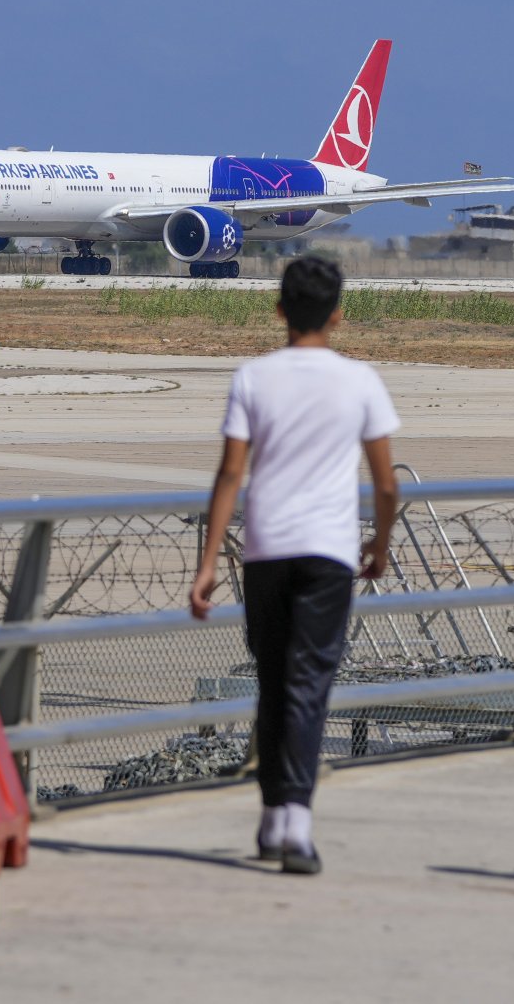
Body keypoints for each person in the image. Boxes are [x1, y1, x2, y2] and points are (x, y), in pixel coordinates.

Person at [189, 256, 399, 875]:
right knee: (309, 685)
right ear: (338, 313)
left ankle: (271, 813)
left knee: (274, 680)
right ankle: (295, 823)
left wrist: (206, 563)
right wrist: (380, 545)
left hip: (266, 550)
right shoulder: (360, 380)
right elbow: (387, 484)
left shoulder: (254, 377)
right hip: (329, 552)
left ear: (278, 309)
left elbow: (231, 473)